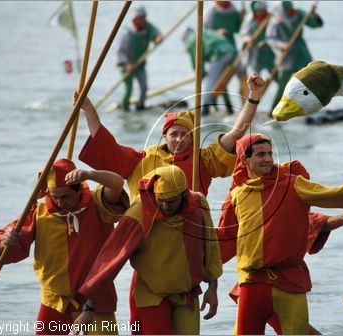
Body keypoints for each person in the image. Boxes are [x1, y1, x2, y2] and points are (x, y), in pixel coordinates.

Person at [75, 73, 266, 332]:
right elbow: (106, 146)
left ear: (194, 137)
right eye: (174, 134)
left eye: (185, 134)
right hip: (150, 248)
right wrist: (88, 109)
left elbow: (234, 135)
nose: (179, 140)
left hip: (187, 249)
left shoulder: (204, 160)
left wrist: (253, 97)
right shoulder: (140, 160)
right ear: (164, 136)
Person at [215, 134, 343, 334]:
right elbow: (224, 238)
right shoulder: (236, 195)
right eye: (260, 155)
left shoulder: (293, 184)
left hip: (290, 280)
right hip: (252, 281)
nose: (267, 159)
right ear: (245, 160)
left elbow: (331, 193)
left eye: (269, 154)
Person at [72, 166, 222, 335]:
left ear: (183, 195)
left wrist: (212, 287)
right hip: (152, 297)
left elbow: (210, 246)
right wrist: (89, 309)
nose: (165, 206)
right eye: (161, 200)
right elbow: (110, 260)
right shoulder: (138, 213)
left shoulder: (198, 204)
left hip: (186, 296)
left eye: (171, 201)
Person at [0, 159, 129, 335]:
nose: (60, 203)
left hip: (96, 297)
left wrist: (90, 174)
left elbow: (117, 184)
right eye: (55, 196)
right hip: (55, 298)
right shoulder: (38, 211)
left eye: (65, 196)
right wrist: (4, 242)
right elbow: (8, 237)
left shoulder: (98, 203)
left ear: (78, 189)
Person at [266, 1, 323, 115]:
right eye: (288, 10)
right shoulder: (275, 21)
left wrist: (314, 14)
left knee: (310, 77)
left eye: (292, 8)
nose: (292, 11)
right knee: (283, 85)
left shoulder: (299, 14)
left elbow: (315, 25)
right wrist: (283, 45)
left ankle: (312, 107)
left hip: (301, 52)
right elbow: (270, 39)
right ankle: (273, 111)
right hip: (286, 56)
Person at [182, 27, 239, 116]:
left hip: (219, 54)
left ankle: (205, 111)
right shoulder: (205, 32)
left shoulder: (192, 40)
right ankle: (229, 109)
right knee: (221, 82)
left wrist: (201, 74)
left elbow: (197, 62)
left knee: (210, 83)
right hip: (232, 51)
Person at [117, 6, 163, 112]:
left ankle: (140, 107)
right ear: (134, 20)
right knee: (128, 90)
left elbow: (156, 34)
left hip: (140, 65)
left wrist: (158, 38)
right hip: (127, 67)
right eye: (141, 18)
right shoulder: (127, 33)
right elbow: (120, 53)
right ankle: (125, 109)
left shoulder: (148, 27)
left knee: (144, 88)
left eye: (144, 17)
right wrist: (127, 65)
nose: (144, 20)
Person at [240, 1, 275, 75]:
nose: (260, 12)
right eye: (258, 10)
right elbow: (243, 33)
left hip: (269, 53)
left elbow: (275, 35)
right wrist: (248, 39)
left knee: (275, 73)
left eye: (261, 10)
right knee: (254, 75)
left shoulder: (272, 19)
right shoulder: (249, 19)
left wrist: (267, 42)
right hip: (254, 53)